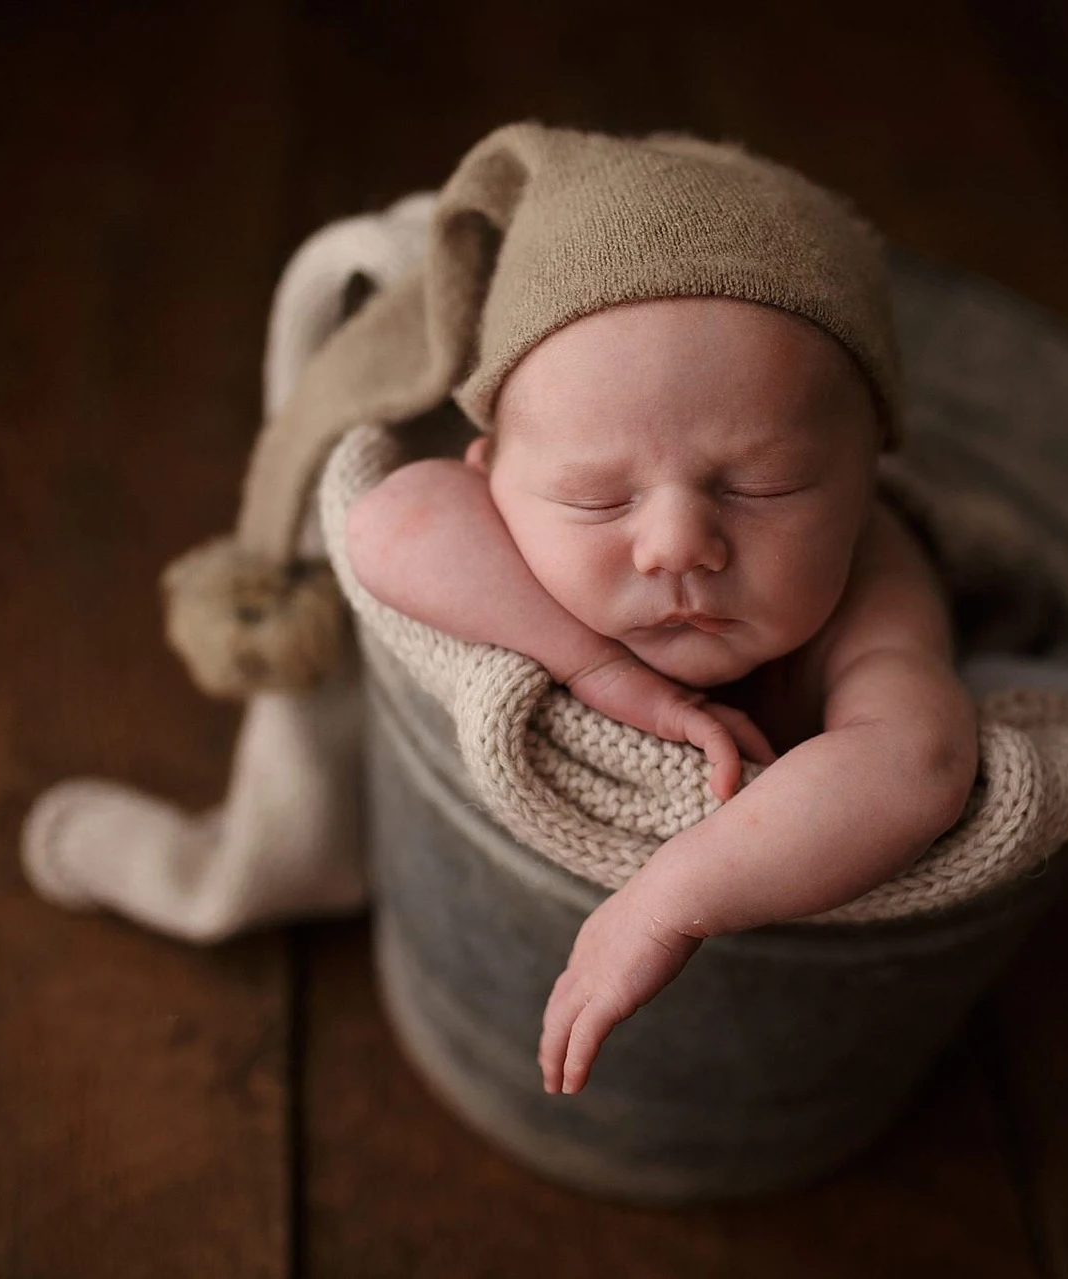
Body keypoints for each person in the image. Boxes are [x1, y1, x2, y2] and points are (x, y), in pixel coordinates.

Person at [343, 128, 979, 1096]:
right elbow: (388, 521)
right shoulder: (494, 520)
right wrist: (595, 666)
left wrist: (667, 904)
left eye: (767, 485)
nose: (678, 544)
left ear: (866, 486)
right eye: (600, 499)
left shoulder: (876, 583)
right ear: (491, 481)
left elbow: (919, 763)